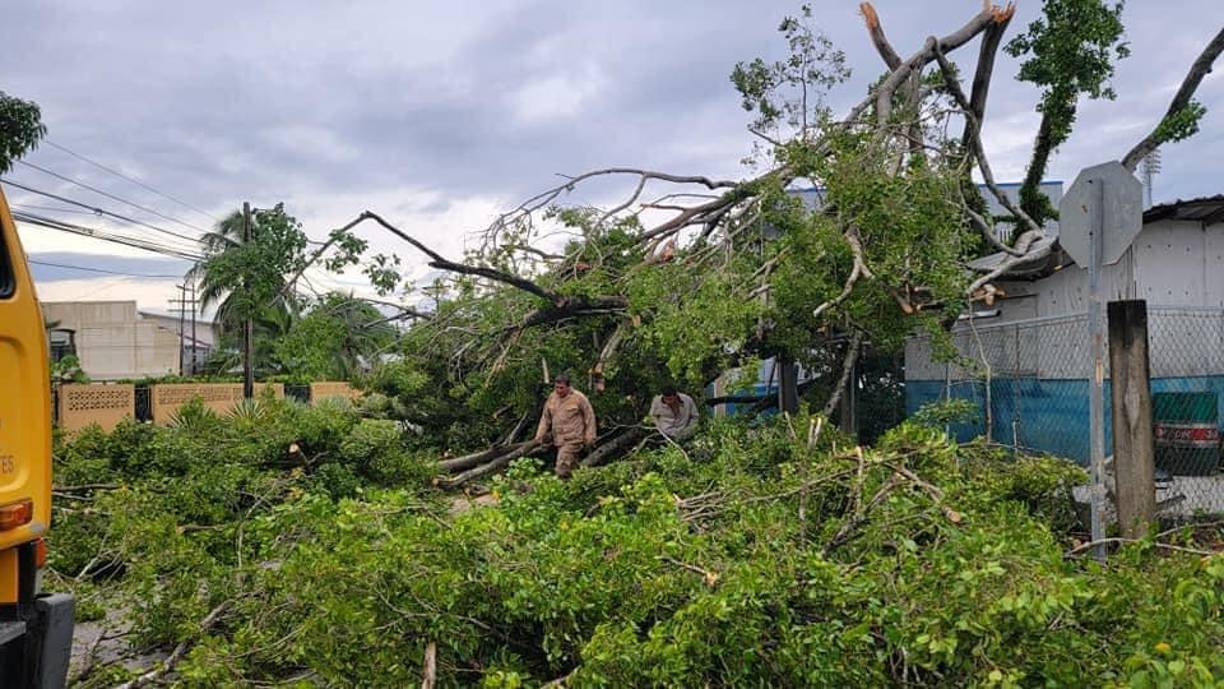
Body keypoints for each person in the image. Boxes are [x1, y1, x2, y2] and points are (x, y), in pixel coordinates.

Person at [534, 374, 597, 479]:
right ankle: (575, 485)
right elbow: (545, 418)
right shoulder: (552, 398)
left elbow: (589, 416)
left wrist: (590, 436)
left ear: (568, 386)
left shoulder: (578, 398)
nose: (559, 390)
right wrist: (540, 435)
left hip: (573, 439)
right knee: (572, 468)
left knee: (562, 466)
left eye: (561, 388)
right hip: (559, 440)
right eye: (557, 387)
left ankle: (559, 485)